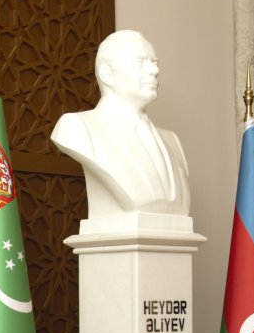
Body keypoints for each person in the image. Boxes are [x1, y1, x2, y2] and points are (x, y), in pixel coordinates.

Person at [51, 29, 191, 218]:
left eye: (155, 63)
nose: (155, 71)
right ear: (107, 74)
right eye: (140, 62)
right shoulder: (77, 128)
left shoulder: (172, 141)